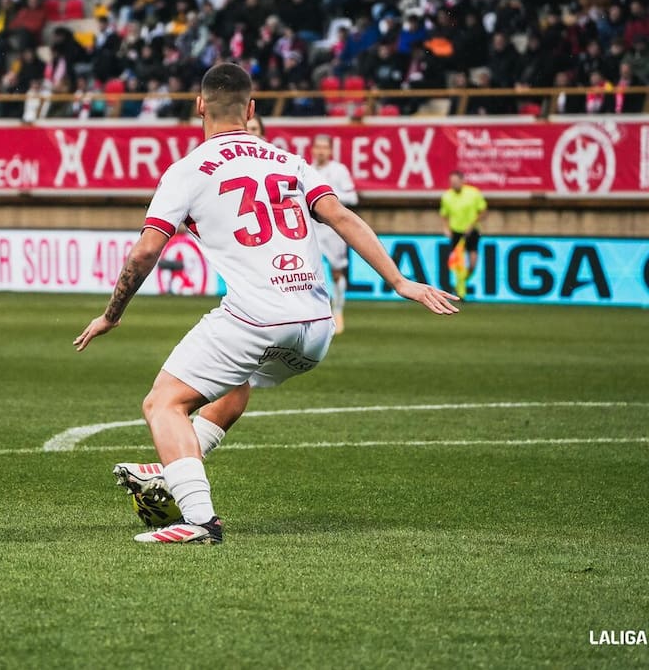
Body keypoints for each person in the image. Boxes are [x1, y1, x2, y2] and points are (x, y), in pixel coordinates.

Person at [73, 63, 458, 545]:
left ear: (199, 106)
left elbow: (147, 249)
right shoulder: (290, 162)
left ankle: (199, 520)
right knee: (238, 380)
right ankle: (173, 469)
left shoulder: (187, 170)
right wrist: (400, 281)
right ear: (252, 110)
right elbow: (342, 216)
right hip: (315, 329)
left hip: (257, 318)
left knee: (163, 401)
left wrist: (112, 315)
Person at [310, 134, 359, 333]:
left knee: (337, 272)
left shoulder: (339, 171)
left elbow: (353, 198)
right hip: (312, 229)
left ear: (330, 151)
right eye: (318, 147)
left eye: (325, 147)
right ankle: (316, 315)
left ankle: (338, 311)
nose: (321, 151)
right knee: (309, 272)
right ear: (312, 149)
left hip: (333, 230)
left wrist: (328, 197)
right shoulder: (306, 170)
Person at [439, 170, 487, 299]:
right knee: (458, 264)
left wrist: (472, 225)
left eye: (456, 182)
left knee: (472, 264)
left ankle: (461, 283)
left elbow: (482, 211)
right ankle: (461, 292)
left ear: (462, 181)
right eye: (451, 182)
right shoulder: (447, 196)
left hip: (472, 232)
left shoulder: (473, 193)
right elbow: (444, 215)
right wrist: (446, 228)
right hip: (456, 232)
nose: (453, 184)